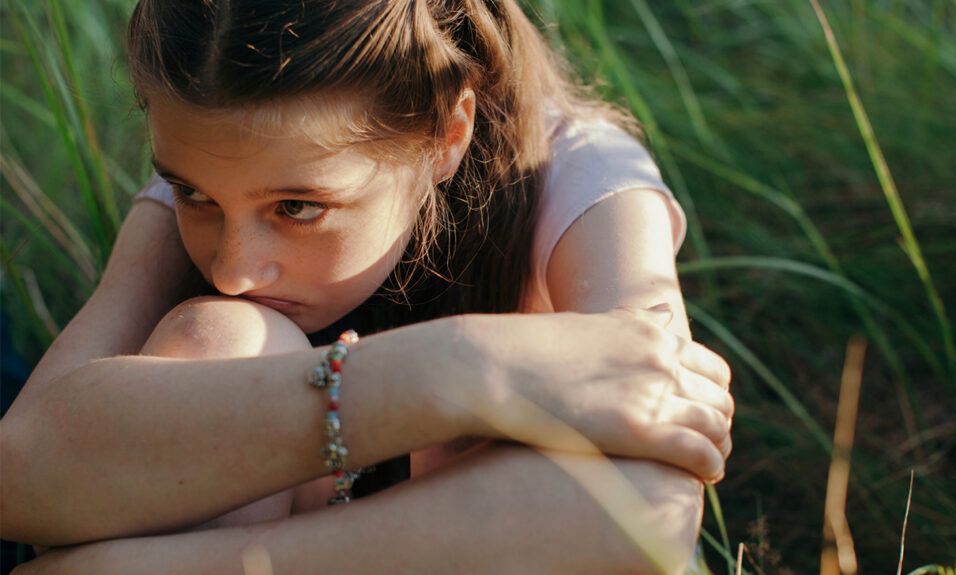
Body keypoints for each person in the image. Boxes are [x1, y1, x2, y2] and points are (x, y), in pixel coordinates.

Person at [2, 0, 734, 572]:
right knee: (218, 335)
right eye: (192, 192)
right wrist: (462, 368)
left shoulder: (577, 178)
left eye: (298, 208)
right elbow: (19, 471)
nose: (232, 267)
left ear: (448, 136)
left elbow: (651, 507)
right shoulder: (233, 172)